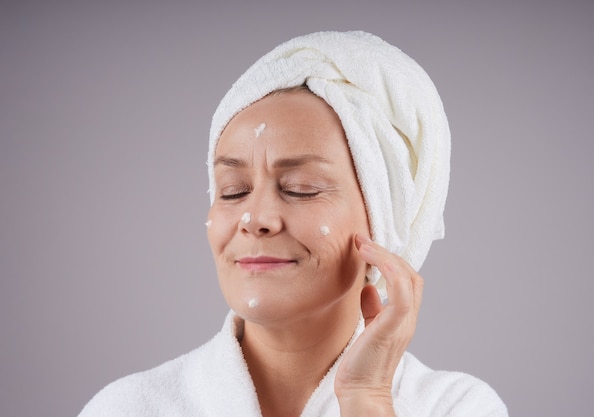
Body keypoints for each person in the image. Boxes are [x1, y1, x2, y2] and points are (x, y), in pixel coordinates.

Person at [78, 31, 508, 417]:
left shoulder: (455, 407)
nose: (255, 219)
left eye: (301, 189)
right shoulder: (129, 408)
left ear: (383, 221)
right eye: (232, 191)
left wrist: (366, 398)